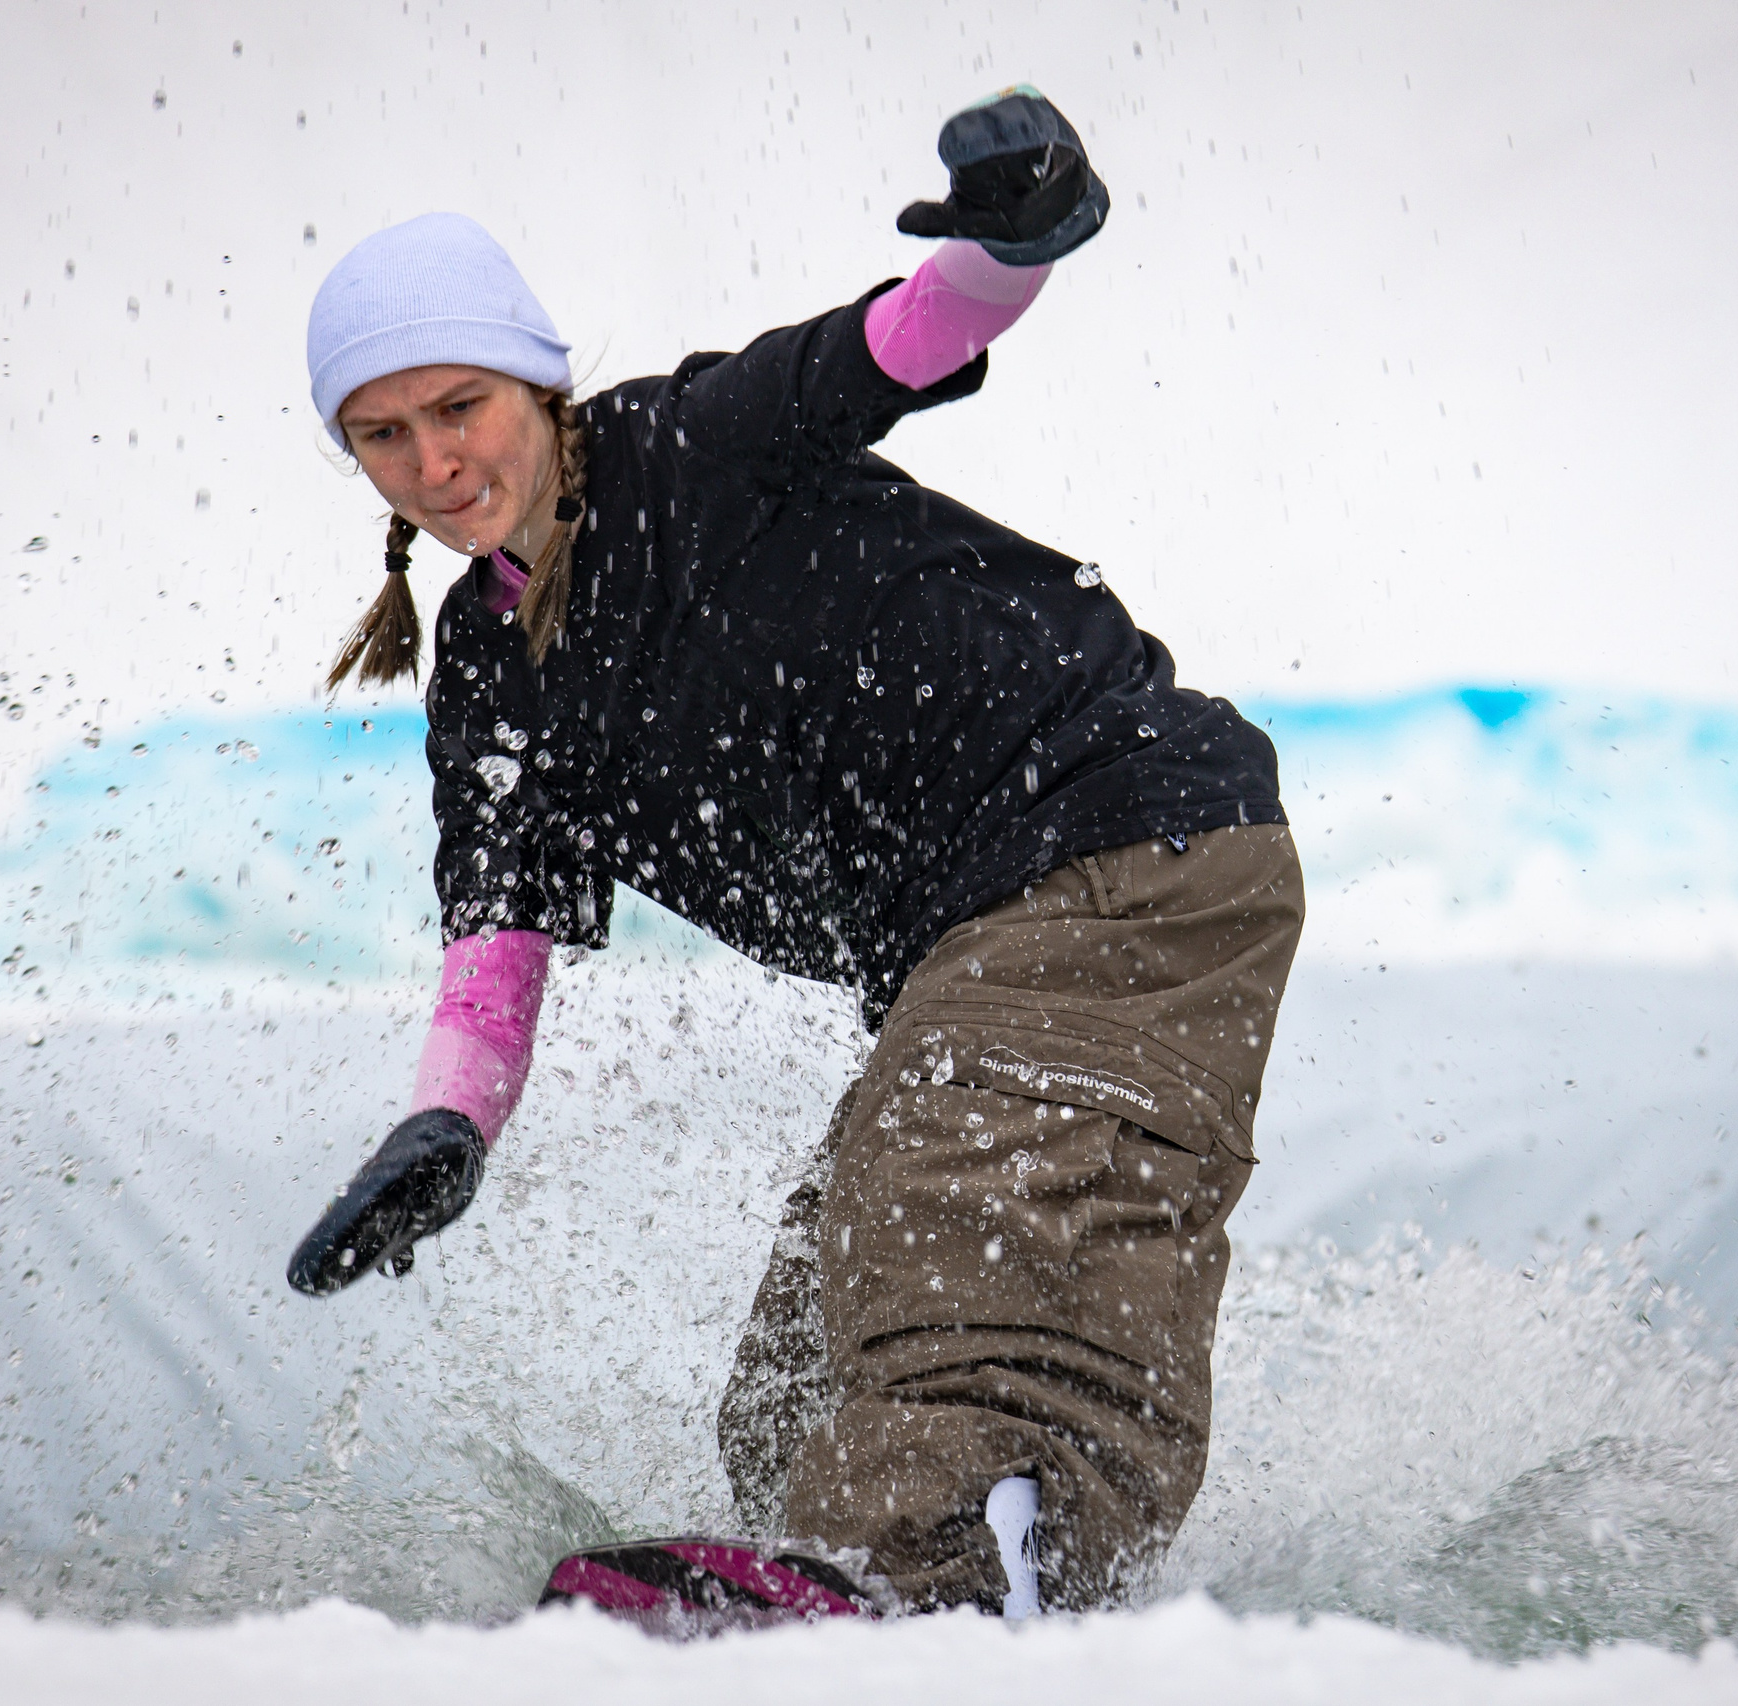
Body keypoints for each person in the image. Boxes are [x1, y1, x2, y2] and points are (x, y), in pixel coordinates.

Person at [284, 89, 1303, 1616]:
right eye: (384, 433)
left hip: (1120, 840)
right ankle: (883, 1590)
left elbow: (904, 338)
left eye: (460, 408)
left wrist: (1013, 238)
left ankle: (940, 1587)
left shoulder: (694, 446)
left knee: (946, 1240)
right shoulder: (488, 673)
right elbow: (497, 938)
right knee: (798, 1369)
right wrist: (444, 1129)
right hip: (983, 936)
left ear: (535, 384)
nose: (433, 460)